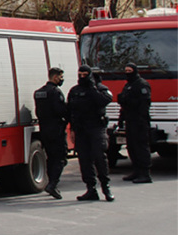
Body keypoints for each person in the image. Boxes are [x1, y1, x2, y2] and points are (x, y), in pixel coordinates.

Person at [67, 65, 114, 201]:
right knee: (84, 160)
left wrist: (92, 87)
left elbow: (104, 101)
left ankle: (106, 187)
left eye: (85, 74)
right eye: (80, 74)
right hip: (81, 130)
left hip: (96, 128)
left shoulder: (99, 89)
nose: (82, 76)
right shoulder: (75, 91)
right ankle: (90, 189)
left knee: (100, 157)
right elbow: (70, 111)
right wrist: (72, 130)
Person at [34, 67, 70, 199]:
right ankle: (53, 184)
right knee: (60, 158)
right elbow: (61, 111)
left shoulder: (39, 93)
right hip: (56, 130)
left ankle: (50, 182)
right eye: (61, 77)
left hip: (44, 130)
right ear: (55, 77)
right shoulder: (55, 92)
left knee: (50, 158)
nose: (62, 80)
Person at [117, 62, 153, 184]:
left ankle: (145, 173)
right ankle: (136, 171)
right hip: (130, 120)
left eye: (129, 71)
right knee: (131, 147)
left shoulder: (142, 84)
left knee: (141, 147)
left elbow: (144, 104)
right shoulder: (128, 85)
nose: (127, 74)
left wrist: (128, 101)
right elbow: (123, 103)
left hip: (139, 121)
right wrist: (121, 119)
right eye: (125, 71)